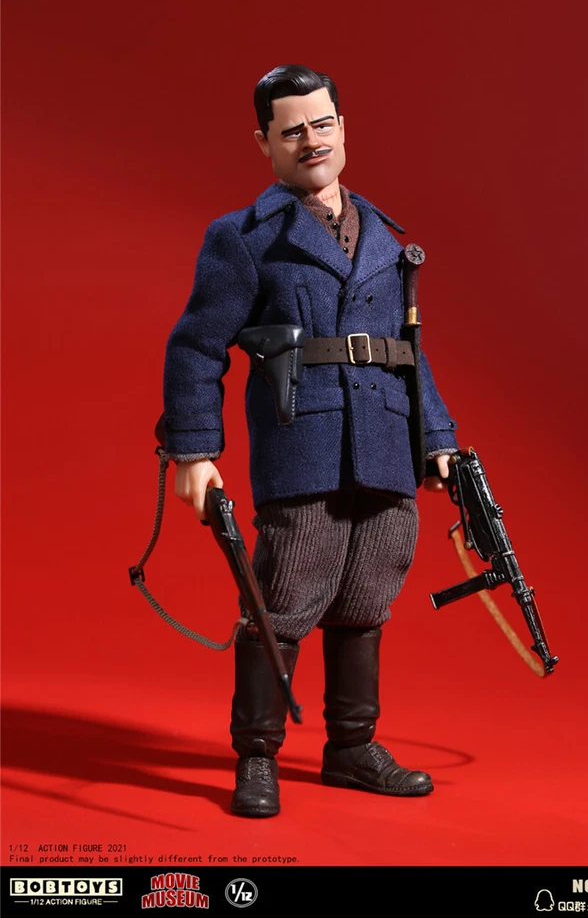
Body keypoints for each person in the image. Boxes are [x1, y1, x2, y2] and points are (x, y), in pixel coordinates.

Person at [162, 64, 459, 817]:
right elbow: (196, 347)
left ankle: (352, 747)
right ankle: (257, 754)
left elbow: (408, 351)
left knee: (367, 594)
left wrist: (435, 436)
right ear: (264, 142)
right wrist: (193, 452)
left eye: (322, 123)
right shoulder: (245, 238)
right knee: (285, 597)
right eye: (291, 129)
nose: (311, 140)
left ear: (342, 127)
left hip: (384, 443)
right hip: (305, 445)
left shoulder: (385, 238)